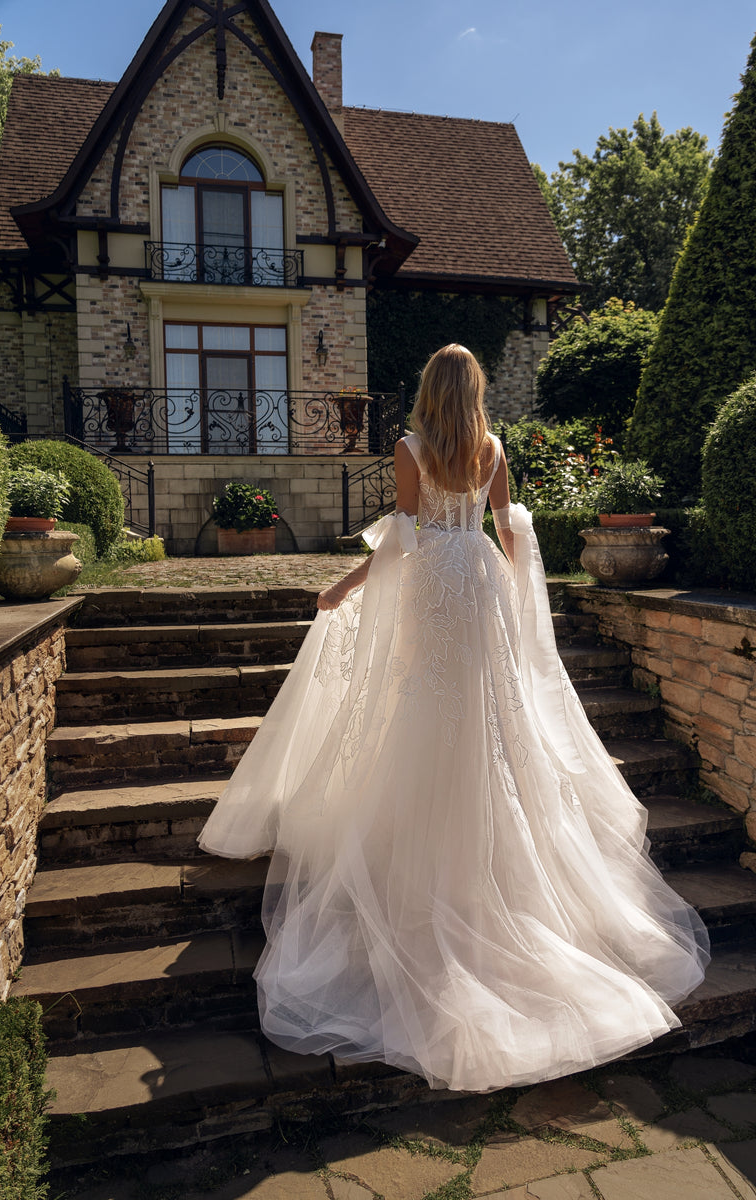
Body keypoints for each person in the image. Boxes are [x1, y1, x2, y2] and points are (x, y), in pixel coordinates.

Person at [199, 344, 709, 1093]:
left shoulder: (410, 448)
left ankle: (419, 847)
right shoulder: (494, 448)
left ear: (427, 390)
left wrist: (342, 585)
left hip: (433, 583)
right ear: (473, 391)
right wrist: (515, 598)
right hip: (477, 584)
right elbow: (508, 531)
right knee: (489, 718)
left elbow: (404, 537)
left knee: (417, 708)